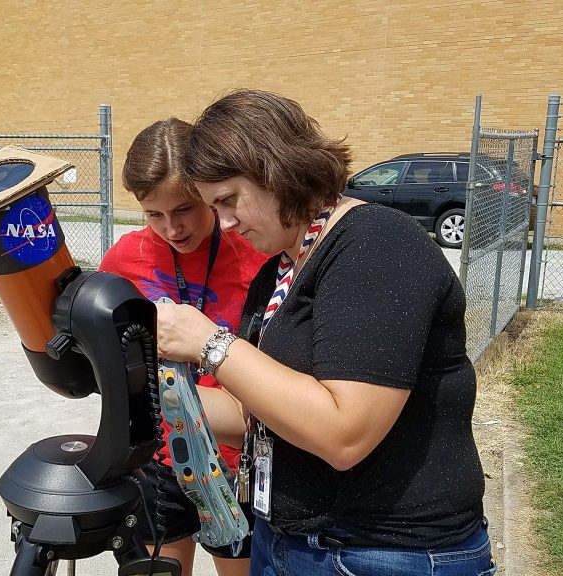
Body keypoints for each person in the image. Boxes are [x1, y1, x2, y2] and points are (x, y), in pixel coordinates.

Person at [155, 90, 494, 576]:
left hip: (385, 553)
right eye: (214, 206)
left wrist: (211, 344)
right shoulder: (280, 271)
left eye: (228, 200)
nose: (224, 222)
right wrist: (143, 382)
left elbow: (344, 433)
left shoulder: (376, 246)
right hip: (290, 542)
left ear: (275, 169)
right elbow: (258, 412)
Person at [98, 118, 265, 576]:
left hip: (235, 463)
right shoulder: (125, 258)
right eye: (154, 214)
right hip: (159, 459)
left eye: (186, 209)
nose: (172, 229)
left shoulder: (254, 255)